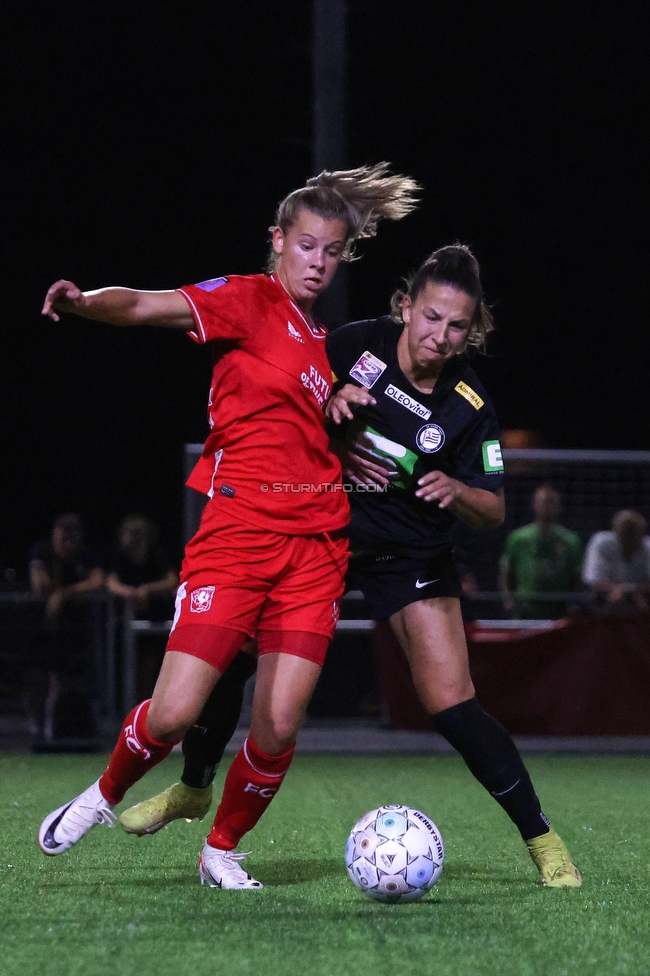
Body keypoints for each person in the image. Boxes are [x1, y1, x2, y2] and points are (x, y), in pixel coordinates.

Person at [121, 246, 581, 888]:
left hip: (410, 554)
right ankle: (195, 787)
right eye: (430, 318)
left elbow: (494, 508)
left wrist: (456, 488)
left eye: (455, 326)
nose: (439, 336)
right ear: (406, 308)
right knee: (233, 656)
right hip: (317, 533)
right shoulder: (355, 345)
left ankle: (543, 841)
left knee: (451, 703)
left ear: (469, 329)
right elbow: (292, 388)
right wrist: (332, 405)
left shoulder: (471, 404)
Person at [36, 163, 420, 889]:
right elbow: (148, 307)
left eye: (333, 251)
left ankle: (221, 847)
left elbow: (308, 433)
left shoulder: (320, 342)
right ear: (278, 241)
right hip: (239, 533)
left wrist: (344, 434)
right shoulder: (248, 300)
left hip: (316, 549)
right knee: (175, 712)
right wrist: (86, 302)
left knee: (278, 724)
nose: (319, 261)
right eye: (307, 245)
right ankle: (102, 796)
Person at [27, 513, 104, 739]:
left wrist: (63, 593)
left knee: (74, 684)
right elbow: (39, 584)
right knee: (39, 678)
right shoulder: (43, 551)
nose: (65, 541)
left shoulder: (85, 555)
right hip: (43, 629)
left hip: (76, 631)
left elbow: (98, 581)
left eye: (71, 536)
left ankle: (73, 731)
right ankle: (38, 729)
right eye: (61, 535)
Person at [106, 515, 179, 699]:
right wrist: (130, 592)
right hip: (129, 623)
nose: (132, 540)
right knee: (135, 669)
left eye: (137, 535)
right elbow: (111, 582)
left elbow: (171, 580)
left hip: (158, 620)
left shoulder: (156, 554)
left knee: (156, 667)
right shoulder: (121, 557)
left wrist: (147, 589)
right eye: (129, 534)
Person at [499, 485, 583, 619]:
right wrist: (508, 602)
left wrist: (573, 603)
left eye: (551, 502)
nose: (547, 506)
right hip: (526, 611)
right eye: (544, 502)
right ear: (534, 505)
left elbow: (577, 576)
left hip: (559, 611)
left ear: (559, 506)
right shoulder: (518, 538)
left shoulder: (570, 540)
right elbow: (506, 573)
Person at [582, 509, 650, 611]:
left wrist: (630, 591)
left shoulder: (648, 546)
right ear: (615, 531)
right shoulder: (601, 542)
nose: (630, 536)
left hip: (641, 600)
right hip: (604, 602)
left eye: (634, 532)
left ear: (643, 532)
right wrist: (615, 590)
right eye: (627, 531)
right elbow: (592, 580)